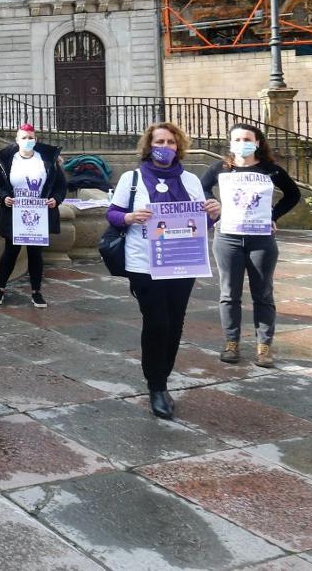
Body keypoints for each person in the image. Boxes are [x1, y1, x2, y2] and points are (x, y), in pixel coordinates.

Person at [106, 122, 221, 420]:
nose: (165, 146)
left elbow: (200, 224)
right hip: (143, 262)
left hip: (182, 262)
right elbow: (113, 214)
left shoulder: (192, 181)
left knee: (174, 323)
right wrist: (130, 216)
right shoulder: (132, 179)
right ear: (149, 145)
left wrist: (213, 215)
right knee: (156, 321)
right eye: (160, 141)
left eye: (171, 142)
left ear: (178, 146)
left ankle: (163, 379)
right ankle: (155, 385)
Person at [201, 123, 301, 368]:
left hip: (261, 239)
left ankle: (264, 347)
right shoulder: (220, 168)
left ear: (257, 143)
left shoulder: (270, 170)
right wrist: (213, 205)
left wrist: (274, 216)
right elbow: (202, 188)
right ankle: (231, 343)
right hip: (228, 238)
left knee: (263, 293)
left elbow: (293, 194)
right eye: (236, 139)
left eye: (247, 139)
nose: (241, 143)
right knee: (229, 293)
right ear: (230, 143)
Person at [0, 124, 66, 309]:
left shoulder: (47, 161)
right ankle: (0, 289)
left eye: (31, 137)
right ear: (16, 140)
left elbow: (60, 186)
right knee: (11, 251)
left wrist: (55, 200)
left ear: (36, 139)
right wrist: (3, 197)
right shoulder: (7, 161)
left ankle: (36, 292)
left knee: (35, 253)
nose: (27, 141)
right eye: (23, 137)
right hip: (14, 212)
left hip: (39, 212)